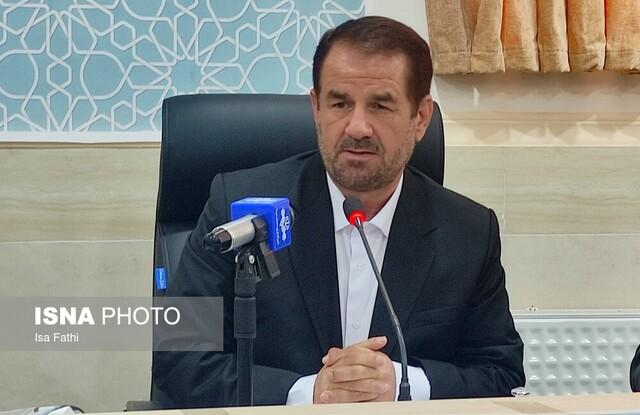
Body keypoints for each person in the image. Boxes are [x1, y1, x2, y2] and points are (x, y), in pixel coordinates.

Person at [152, 16, 525, 408]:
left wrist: (403, 382)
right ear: (316, 108)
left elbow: (501, 373)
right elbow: (174, 357)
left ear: (420, 118)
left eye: (380, 105)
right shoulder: (237, 205)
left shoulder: (468, 232)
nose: (357, 127)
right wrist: (310, 393)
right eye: (340, 103)